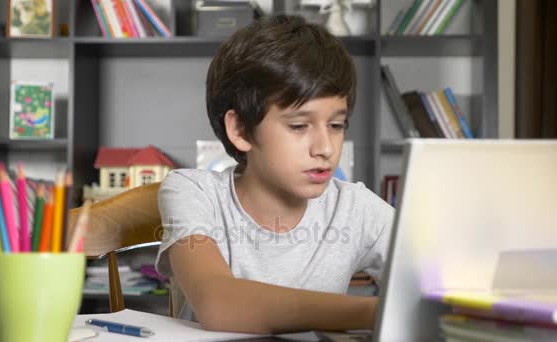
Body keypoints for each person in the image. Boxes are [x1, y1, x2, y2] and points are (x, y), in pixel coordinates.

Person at [155, 15, 394, 334]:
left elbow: (442, 285)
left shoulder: (357, 208)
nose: (325, 148)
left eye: (336, 125)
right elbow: (219, 305)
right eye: (299, 126)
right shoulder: (191, 192)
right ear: (240, 129)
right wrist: (380, 312)